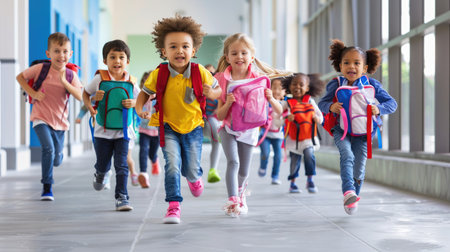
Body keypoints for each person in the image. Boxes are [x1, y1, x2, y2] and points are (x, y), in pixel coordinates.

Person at [135, 15, 222, 224]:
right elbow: (144, 94)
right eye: (173, 47)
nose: (179, 51)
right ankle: (173, 206)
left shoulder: (200, 72)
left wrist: (212, 94)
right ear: (164, 51)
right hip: (168, 127)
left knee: (191, 168)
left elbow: (218, 91)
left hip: (193, 127)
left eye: (185, 46)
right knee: (172, 164)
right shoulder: (159, 73)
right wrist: (139, 110)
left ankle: (194, 178)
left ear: (193, 50)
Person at [318, 39, 397, 215]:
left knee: (359, 167)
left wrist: (379, 109)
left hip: (364, 133)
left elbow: (392, 104)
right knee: (347, 156)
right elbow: (321, 104)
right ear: (340, 65)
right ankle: (348, 192)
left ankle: (354, 198)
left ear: (365, 68)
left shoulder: (372, 85)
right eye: (346, 63)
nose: (351, 66)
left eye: (356, 63)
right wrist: (331, 107)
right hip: (342, 130)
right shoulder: (336, 84)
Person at [215, 33, 288, 217]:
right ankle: (232, 200)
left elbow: (279, 111)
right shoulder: (222, 80)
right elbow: (219, 114)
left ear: (251, 57)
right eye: (234, 53)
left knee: (244, 170)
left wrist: (271, 98)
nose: (239, 56)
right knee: (234, 162)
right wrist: (228, 103)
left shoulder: (260, 79)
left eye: (244, 52)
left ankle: (241, 194)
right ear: (227, 57)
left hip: (249, 130)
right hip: (228, 128)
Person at [16, 32, 83, 201]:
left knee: (57, 158)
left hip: (60, 122)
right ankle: (47, 187)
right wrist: (33, 93)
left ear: (70, 54)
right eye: (57, 51)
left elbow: (80, 96)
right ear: (48, 54)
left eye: (65, 51)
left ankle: (55, 160)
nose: (61, 55)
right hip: (40, 117)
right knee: (48, 149)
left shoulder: (70, 75)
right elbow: (20, 77)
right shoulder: (41, 69)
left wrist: (65, 82)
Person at [83, 39, 140, 211]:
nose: (117, 61)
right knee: (103, 163)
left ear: (127, 61)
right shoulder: (99, 78)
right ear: (105, 60)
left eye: (121, 57)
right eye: (112, 57)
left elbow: (141, 99)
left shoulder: (131, 80)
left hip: (123, 131)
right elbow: (85, 94)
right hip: (102, 132)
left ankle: (122, 197)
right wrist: (92, 104)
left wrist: (134, 102)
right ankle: (100, 173)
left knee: (121, 164)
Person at [282, 73, 325, 194]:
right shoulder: (287, 103)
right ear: (289, 86)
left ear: (307, 88)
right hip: (293, 139)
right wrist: (286, 117)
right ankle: (293, 183)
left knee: (309, 155)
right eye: (294, 84)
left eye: (301, 85)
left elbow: (320, 116)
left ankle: (310, 179)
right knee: (294, 161)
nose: (297, 87)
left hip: (308, 138)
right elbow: (277, 118)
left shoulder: (310, 101)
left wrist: (318, 119)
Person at [258, 77, 286, 185]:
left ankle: (275, 176)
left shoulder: (285, 104)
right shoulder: (265, 102)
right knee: (265, 153)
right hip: (265, 134)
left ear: (285, 92)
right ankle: (263, 166)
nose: (277, 91)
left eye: (280, 89)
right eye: (274, 88)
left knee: (278, 156)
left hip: (278, 136)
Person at [137, 71, 161, 189]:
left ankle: (155, 160)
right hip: (144, 130)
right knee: (143, 150)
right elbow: (137, 108)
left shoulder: (159, 97)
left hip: (156, 131)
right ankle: (143, 174)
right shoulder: (141, 96)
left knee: (152, 153)